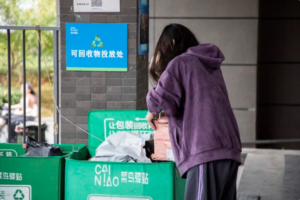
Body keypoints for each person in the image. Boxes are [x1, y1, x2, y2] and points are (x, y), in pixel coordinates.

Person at [146, 24, 242, 200]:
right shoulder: (208, 65)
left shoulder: (180, 63)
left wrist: (151, 110)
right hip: (229, 150)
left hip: (205, 150)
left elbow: (162, 95)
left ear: (173, 42)